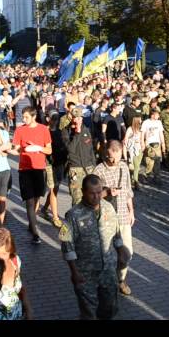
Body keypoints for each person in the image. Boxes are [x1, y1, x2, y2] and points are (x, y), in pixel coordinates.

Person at [59, 174, 129, 320]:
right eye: (92, 193)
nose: (96, 196)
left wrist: (121, 250)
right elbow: (67, 246)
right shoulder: (73, 215)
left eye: (99, 192)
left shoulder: (108, 208)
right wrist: (74, 272)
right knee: (88, 313)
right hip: (85, 273)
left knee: (110, 309)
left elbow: (116, 235)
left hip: (108, 271)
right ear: (84, 192)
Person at [93, 140, 136, 296]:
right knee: (107, 255)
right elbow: (92, 196)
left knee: (127, 253)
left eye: (118, 156)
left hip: (123, 216)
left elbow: (128, 190)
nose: (115, 160)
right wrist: (107, 192)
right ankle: (106, 283)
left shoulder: (123, 167)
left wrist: (131, 211)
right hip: (106, 219)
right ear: (107, 152)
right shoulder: (98, 170)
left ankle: (120, 279)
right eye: (112, 156)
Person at [10, 106, 52, 245]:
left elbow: (49, 150)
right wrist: (22, 150)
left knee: (36, 199)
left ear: (34, 117)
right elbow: (15, 150)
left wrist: (38, 148)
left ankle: (31, 221)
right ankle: (35, 233)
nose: (24, 119)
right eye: (23, 116)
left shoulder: (43, 129)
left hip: (39, 169)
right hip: (25, 169)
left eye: (27, 117)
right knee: (29, 200)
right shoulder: (20, 130)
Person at [0, 227, 33, 320]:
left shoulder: (15, 261)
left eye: (4, 254)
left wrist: (28, 311)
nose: (0, 258)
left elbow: (21, 288)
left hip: (17, 315)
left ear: (10, 251)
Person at [63, 106, 97, 205]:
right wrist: (77, 134)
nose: (79, 120)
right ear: (72, 118)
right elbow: (70, 149)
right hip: (75, 169)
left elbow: (91, 150)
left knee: (91, 198)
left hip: (89, 168)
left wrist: (94, 166)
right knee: (77, 199)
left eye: (80, 117)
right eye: (76, 117)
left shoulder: (86, 130)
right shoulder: (66, 132)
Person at [41, 110, 65, 228]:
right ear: (48, 119)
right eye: (53, 118)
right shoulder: (44, 131)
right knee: (52, 189)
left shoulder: (60, 131)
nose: (56, 120)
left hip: (60, 164)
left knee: (55, 189)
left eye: (57, 118)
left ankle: (45, 208)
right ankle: (55, 217)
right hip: (49, 164)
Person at [141, 108, 166, 183]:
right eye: (157, 114)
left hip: (157, 144)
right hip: (149, 144)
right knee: (149, 162)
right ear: (152, 115)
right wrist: (143, 143)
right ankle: (146, 175)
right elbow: (142, 133)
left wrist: (163, 144)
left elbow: (161, 133)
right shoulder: (146, 122)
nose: (158, 116)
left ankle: (157, 177)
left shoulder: (159, 122)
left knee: (157, 161)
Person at [123, 115, 144, 190]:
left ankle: (132, 180)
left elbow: (142, 139)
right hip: (132, 150)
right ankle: (136, 183)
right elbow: (125, 140)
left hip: (139, 150)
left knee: (136, 167)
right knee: (136, 167)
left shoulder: (141, 129)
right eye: (140, 120)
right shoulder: (130, 129)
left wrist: (143, 147)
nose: (141, 121)